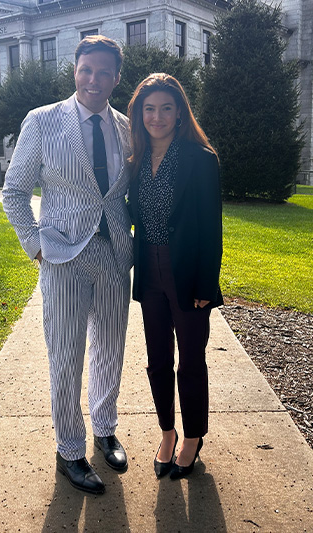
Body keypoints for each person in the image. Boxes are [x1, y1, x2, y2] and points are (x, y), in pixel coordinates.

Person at [2, 35, 132, 495]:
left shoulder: (125, 127)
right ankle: (69, 450)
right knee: (65, 355)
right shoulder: (42, 121)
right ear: (74, 72)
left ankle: (105, 427)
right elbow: (14, 191)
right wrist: (34, 245)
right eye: (85, 70)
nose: (93, 80)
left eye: (103, 72)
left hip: (114, 255)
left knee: (111, 350)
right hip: (61, 256)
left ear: (116, 78)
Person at [126, 73, 223, 480]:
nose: (157, 116)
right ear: (139, 113)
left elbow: (210, 227)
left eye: (167, 108)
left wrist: (206, 283)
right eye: (149, 108)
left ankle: (192, 437)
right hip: (149, 269)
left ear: (180, 112)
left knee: (191, 359)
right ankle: (167, 432)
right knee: (158, 360)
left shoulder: (201, 159)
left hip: (187, 273)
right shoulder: (134, 158)